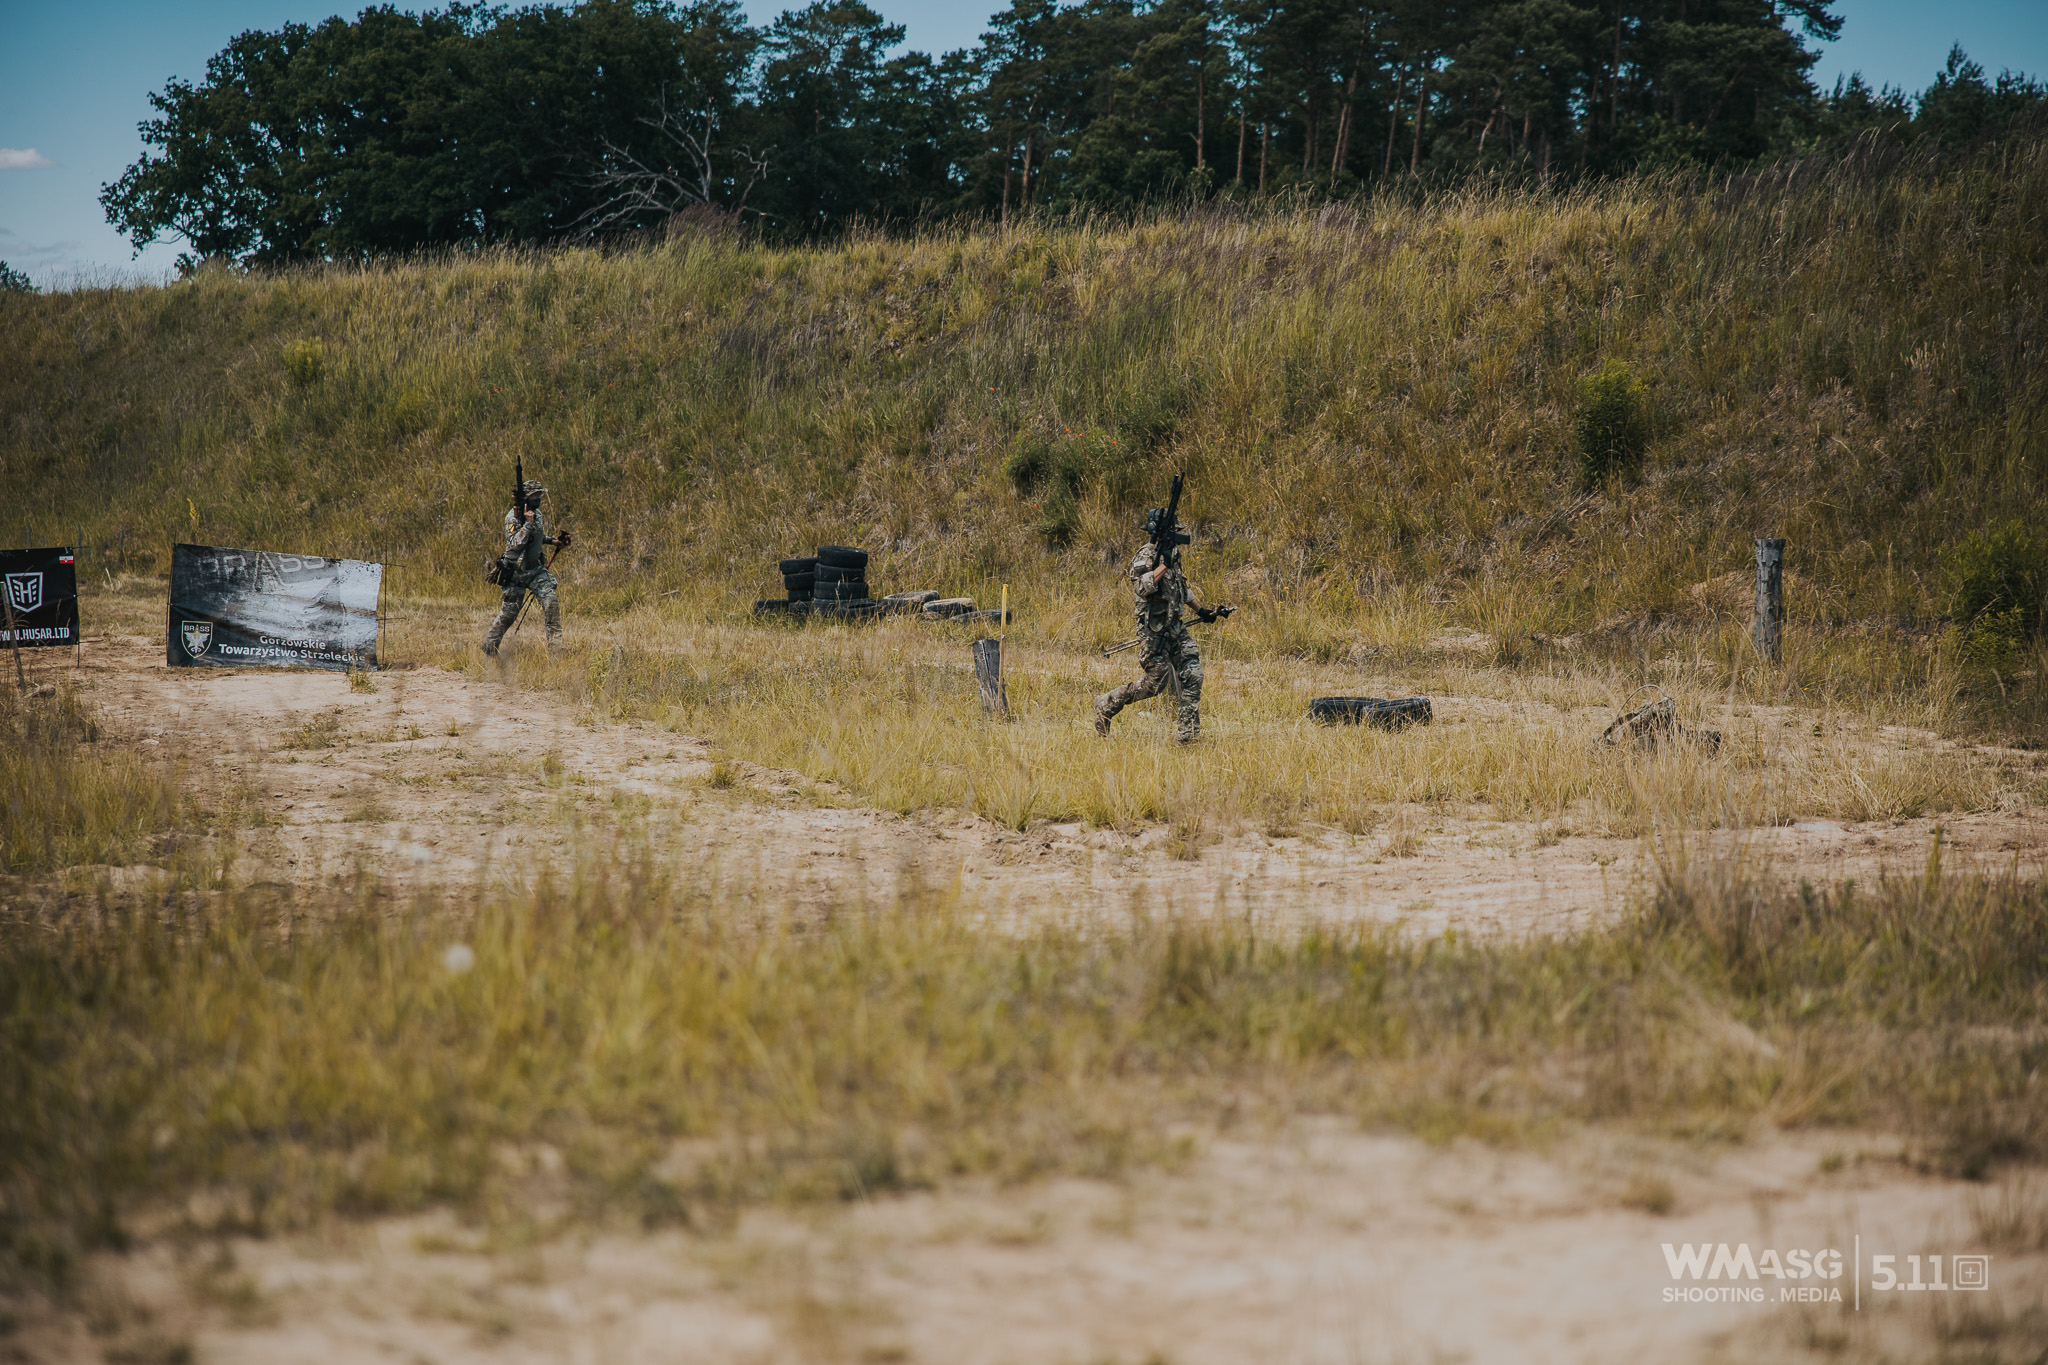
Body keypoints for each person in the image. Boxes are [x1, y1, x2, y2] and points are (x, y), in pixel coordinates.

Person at [1095, 512, 1213, 743]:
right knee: (1154, 684)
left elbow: (1181, 586)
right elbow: (1141, 587)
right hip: (1153, 631)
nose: (1177, 536)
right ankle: (1105, 704)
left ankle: (1187, 735)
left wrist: (1201, 610)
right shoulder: (1146, 555)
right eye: (1172, 532)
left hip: (1176, 628)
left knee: (1193, 674)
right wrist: (1162, 566)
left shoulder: (1174, 554)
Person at [481, 480, 570, 655]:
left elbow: (538, 536)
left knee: (551, 601)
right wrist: (527, 524)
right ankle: (490, 646)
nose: (538, 499)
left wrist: (554, 541)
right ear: (526, 498)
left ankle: (556, 650)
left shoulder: (538, 515)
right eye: (535, 495)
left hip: (535, 570)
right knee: (509, 613)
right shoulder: (512, 518)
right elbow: (514, 544)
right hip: (515, 572)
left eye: (540, 495)